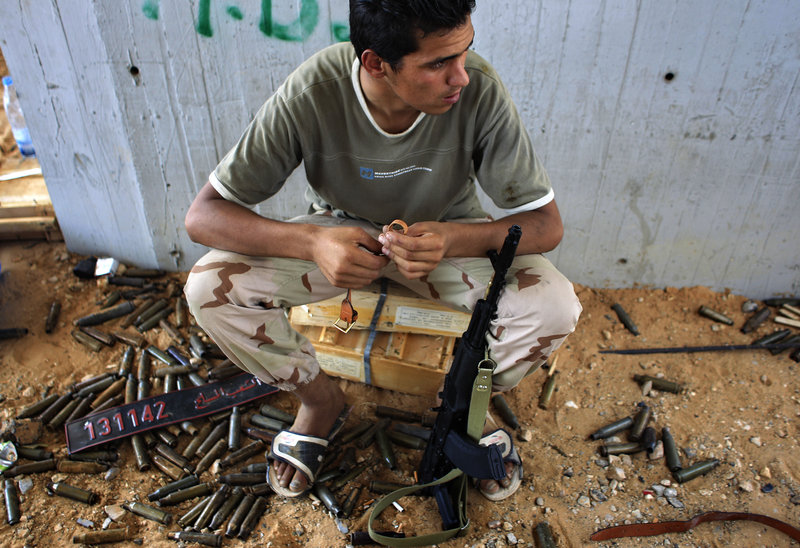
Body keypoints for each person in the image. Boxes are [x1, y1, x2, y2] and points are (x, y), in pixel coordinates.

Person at [183, 0, 581, 500]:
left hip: (446, 237)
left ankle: (457, 410)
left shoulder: (478, 88)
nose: (461, 77)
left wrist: (453, 238)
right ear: (375, 63)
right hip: (339, 234)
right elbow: (204, 215)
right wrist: (313, 240)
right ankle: (320, 401)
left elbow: (545, 223)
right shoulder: (314, 92)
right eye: (438, 64)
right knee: (208, 289)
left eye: (465, 53)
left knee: (553, 307)